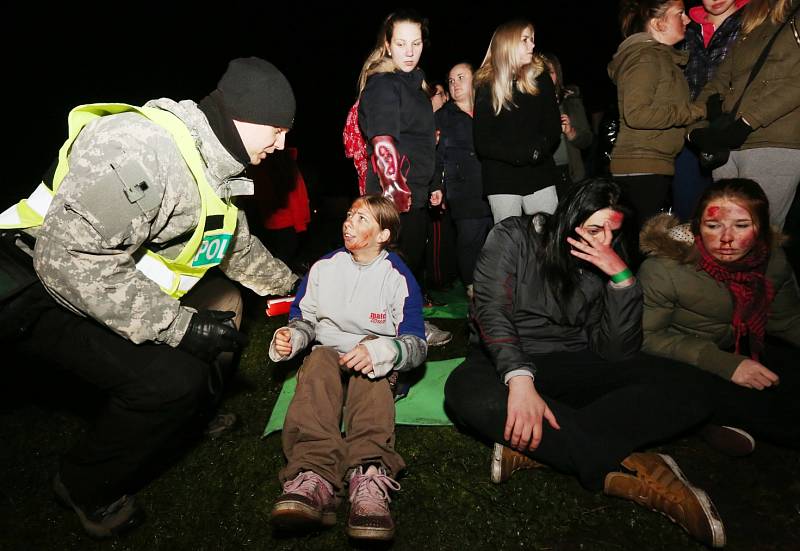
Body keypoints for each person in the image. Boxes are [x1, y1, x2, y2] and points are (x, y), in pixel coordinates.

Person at [0, 57, 298, 538]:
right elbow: (68, 259)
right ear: (244, 117)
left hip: (100, 279)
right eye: (277, 131)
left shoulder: (215, 166)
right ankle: (82, 484)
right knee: (171, 380)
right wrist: (179, 326)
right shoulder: (145, 150)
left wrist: (294, 286)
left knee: (226, 308)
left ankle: (192, 416)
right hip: (34, 282)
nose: (282, 145)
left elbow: (236, 246)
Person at [444, 179, 725, 548]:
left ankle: (538, 447)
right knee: (468, 398)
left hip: (572, 360)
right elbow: (491, 311)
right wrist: (521, 381)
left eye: (612, 232)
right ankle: (636, 469)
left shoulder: (605, 263)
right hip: (504, 355)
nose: (602, 241)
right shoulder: (514, 235)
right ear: (568, 218)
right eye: (593, 229)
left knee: (694, 387)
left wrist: (622, 280)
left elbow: (617, 353)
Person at [268, 195, 427, 541]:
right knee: (319, 361)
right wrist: (292, 337)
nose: (348, 224)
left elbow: (416, 345)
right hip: (329, 353)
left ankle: (367, 473)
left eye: (362, 219)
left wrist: (384, 350)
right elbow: (304, 318)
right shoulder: (325, 267)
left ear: (383, 234)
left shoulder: (397, 276)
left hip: (373, 357)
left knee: (372, 367)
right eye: (349, 215)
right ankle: (314, 474)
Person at [639, 178, 800, 448]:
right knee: (768, 413)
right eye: (713, 226)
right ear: (697, 227)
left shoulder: (771, 261)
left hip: (736, 347)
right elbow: (646, 337)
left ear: (760, 229)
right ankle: (708, 420)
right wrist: (723, 363)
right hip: (678, 357)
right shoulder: (665, 269)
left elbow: (784, 320)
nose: (726, 238)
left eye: (741, 226)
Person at [357, 9, 452, 346]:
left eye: (416, 43)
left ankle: (404, 329)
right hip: (394, 196)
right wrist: (396, 191)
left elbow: (424, 143)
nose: (409, 52)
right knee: (392, 269)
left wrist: (434, 185)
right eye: (401, 43)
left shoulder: (416, 86)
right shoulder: (384, 85)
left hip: (416, 191)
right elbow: (382, 141)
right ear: (387, 44)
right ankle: (392, 337)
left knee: (406, 265)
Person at [690, 0, 800, 229]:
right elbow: (719, 80)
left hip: (774, 139)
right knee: (724, 232)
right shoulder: (753, 21)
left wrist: (748, 121)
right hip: (728, 143)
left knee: (759, 232)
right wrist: (697, 128)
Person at [608, 0, 707, 230]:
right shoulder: (646, 57)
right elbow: (637, 114)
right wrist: (698, 110)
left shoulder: (659, 57)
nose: (687, 19)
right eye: (680, 13)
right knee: (647, 245)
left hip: (653, 164)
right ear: (658, 23)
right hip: (642, 167)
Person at [473, 19, 562, 223]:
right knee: (508, 245)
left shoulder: (541, 79)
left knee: (545, 242)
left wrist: (538, 150)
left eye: (532, 39)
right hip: (501, 179)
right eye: (525, 40)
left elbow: (553, 127)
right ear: (508, 44)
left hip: (539, 174)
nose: (532, 45)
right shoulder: (486, 85)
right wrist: (521, 155)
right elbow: (483, 142)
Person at [672, 0, 749, 221]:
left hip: (735, 128)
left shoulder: (754, 21)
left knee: (736, 211)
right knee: (689, 212)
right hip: (689, 129)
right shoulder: (684, 25)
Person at [434, 62, 493, 297]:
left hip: (496, 187)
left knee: (499, 242)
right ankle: (473, 292)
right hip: (464, 191)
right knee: (469, 242)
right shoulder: (443, 117)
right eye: (451, 80)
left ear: (474, 80)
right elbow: (435, 156)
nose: (455, 84)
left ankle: (498, 291)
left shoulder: (490, 108)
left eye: (460, 77)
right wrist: (437, 186)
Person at [541, 53, 593, 199]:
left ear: (557, 74)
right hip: (541, 178)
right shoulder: (529, 104)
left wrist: (571, 133)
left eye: (550, 72)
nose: (545, 77)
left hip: (569, 174)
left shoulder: (570, 101)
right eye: (541, 73)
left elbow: (587, 140)